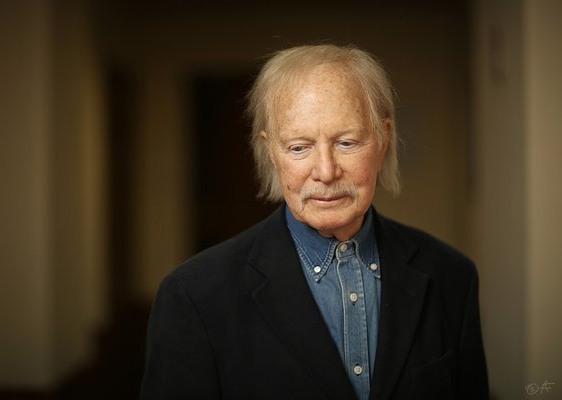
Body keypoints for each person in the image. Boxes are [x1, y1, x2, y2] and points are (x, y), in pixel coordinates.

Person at [140, 44, 488, 400]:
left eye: (347, 142)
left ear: (383, 139)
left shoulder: (451, 277)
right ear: (271, 152)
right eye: (299, 147)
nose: (325, 171)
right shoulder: (194, 296)